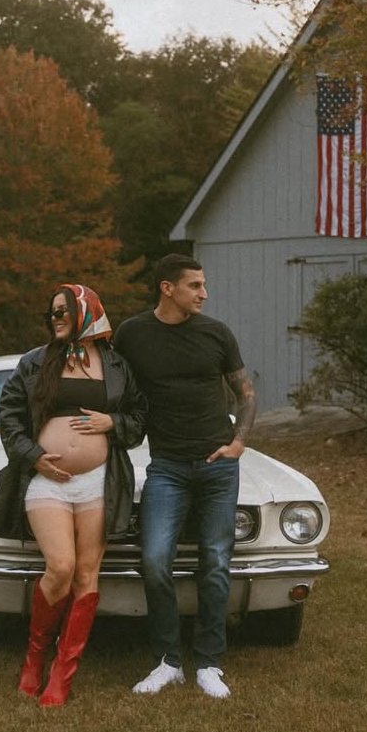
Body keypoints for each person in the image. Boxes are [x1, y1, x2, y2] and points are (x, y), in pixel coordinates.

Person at [114, 253, 256, 699]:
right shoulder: (132, 334)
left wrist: (238, 442)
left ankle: (209, 663)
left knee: (215, 561)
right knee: (155, 560)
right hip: (167, 467)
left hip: (218, 466)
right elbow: (110, 384)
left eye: (203, 284)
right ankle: (168, 661)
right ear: (167, 288)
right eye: (195, 285)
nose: (204, 293)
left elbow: (246, 393)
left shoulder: (216, 333)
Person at [0, 283, 145, 707]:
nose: (55, 319)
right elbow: (9, 414)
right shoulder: (35, 361)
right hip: (48, 481)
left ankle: (63, 673)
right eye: (52, 313)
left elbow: (139, 416)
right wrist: (33, 456)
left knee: (86, 574)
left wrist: (112, 423)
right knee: (60, 567)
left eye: (62, 311)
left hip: (99, 481)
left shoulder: (115, 365)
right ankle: (34, 658)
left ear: (86, 312)